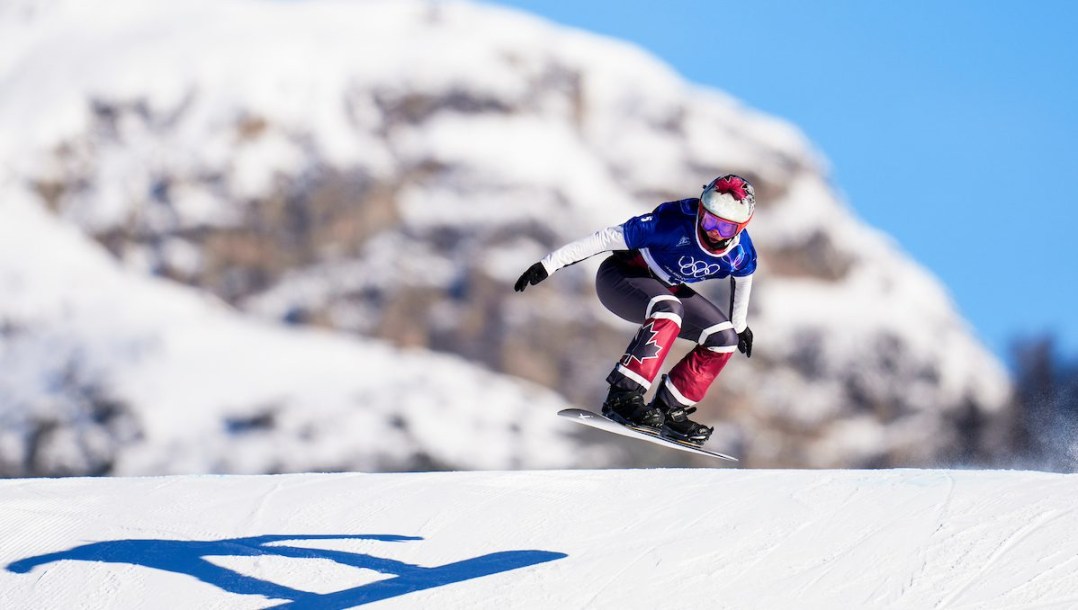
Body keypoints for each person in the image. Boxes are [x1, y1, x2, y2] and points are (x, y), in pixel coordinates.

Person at [514, 174, 757, 445]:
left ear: (740, 229)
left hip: (666, 286)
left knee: (723, 339)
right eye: (710, 220)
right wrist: (549, 264)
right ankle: (623, 396)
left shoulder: (742, 253)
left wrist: (740, 325)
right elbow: (604, 239)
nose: (713, 231)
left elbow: (744, 278)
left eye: (724, 228)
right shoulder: (670, 224)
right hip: (620, 278)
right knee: (670, 310)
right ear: (700, 210)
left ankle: (667, 409)